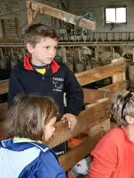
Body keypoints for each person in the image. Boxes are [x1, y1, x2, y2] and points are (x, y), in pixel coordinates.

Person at [8, 23, 83, 155]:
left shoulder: (61, 70)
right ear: (31, 48)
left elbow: (75, 91)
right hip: (31, 133)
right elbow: (15, 103)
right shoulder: (19, 72)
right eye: (47, 47)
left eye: (55, 47)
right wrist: (33, 125)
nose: (52, 52)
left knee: (59, 162)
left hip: (57, 128)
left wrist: (71, 111)